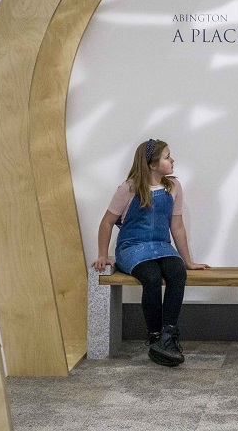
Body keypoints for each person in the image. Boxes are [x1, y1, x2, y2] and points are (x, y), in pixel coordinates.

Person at [93, 138, 208, 367]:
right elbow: (107, 222)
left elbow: (177, 226)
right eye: (167, 157)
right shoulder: (129, 188)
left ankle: (168, 335)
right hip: (132, 248)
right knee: (152, 277)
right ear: (152, 165)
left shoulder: (173, 187)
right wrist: (102, 254)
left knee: (177, 273)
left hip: (161, 246)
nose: (172, 160)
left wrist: (188, 261)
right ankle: (155, 336)